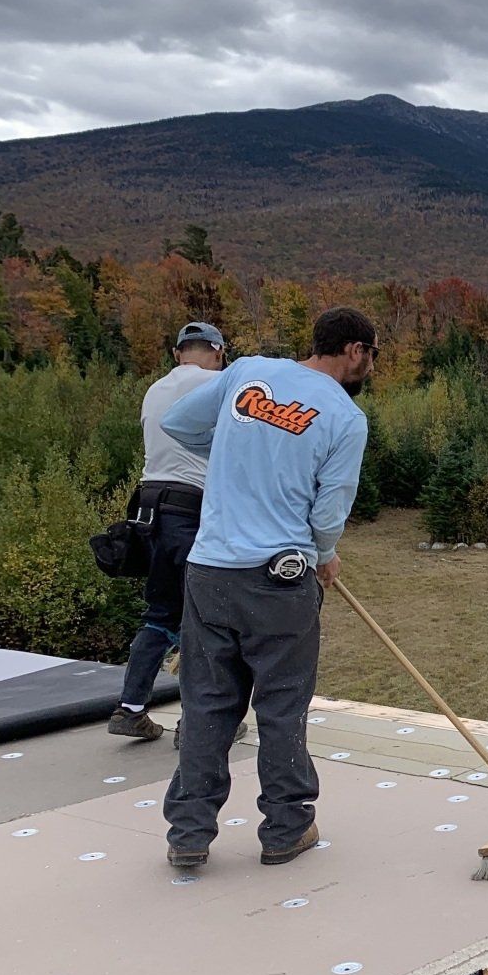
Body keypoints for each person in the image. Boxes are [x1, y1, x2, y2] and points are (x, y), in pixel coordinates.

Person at [157, 307, 376, 869]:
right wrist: (325, 556)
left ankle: (188, 833)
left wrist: (240, 455)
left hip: (209, 574)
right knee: (281, 705)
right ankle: (285, 830)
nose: (370, 367)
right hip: (280, 581)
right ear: (353, 351)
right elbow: (329, 513)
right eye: (371, 356)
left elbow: (179, 424)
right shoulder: (345, 417)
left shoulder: (246, 373)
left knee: (206, 702)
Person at [107, 322, 227, 741]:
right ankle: (195, 724)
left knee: (160, 613)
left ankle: (131, 708)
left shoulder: (154, 390)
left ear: (178, 353)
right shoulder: (219, 385)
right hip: (189, 510)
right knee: (203, 618)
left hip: (148, 510)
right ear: (218, 352)